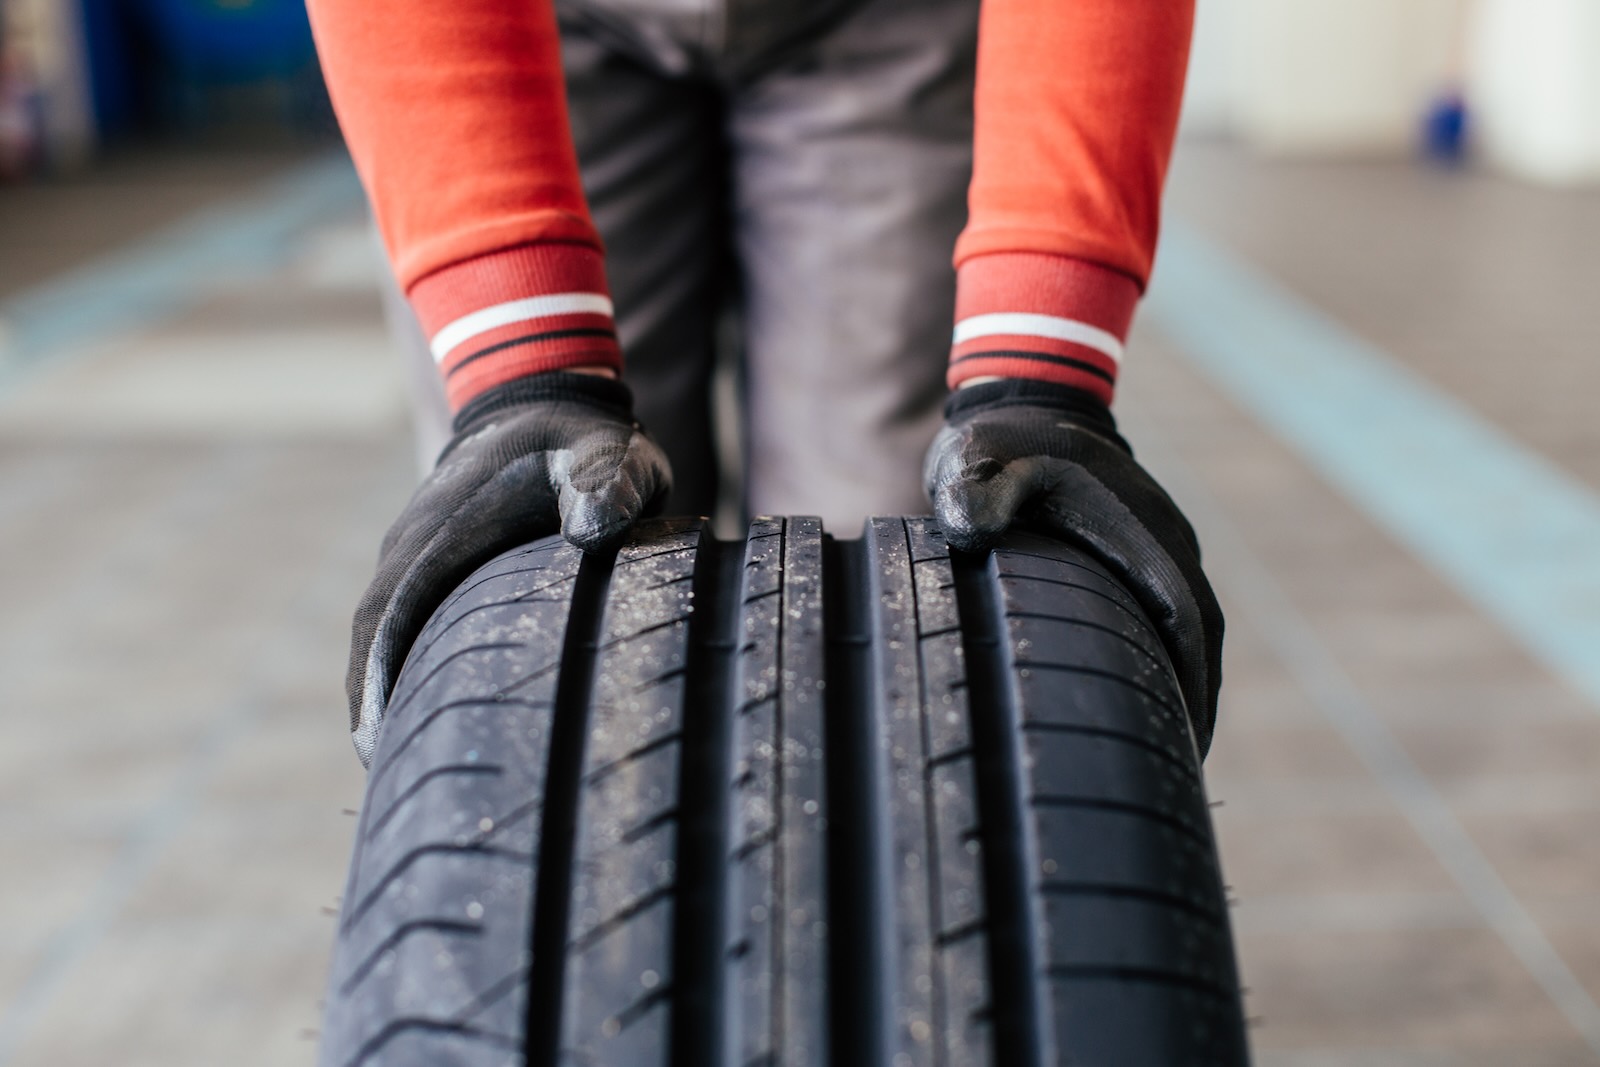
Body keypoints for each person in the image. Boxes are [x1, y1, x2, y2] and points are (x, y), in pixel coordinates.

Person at [306, 0, 1223, 768]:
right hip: (533, 24)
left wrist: (1040, 369)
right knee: (549, 592)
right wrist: (517, 376)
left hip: (887, 19)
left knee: (913, 605)